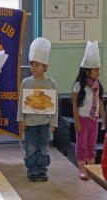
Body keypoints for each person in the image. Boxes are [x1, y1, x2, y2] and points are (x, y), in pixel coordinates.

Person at [17, 37, 58, 182]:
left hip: (45, 122)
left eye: (37, 64)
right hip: (30, 122)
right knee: (30, 147)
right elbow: (22, 102)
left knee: (43, 147)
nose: (33, 67)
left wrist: (53, 122)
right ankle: (32, 170)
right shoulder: (26, 82)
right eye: (31, 64)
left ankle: (42, 169)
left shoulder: (51, 83)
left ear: (45, 66)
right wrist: (21, 120)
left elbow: (54, 106)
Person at [73, 41, 106, 180]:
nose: (98, 72)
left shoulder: (97, 85)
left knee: (92, 144)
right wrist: (77, 122)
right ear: (87, 71)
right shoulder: (78, 86)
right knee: (82, 145)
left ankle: (91, 167)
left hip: (93, 120)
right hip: (82, 119)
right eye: (96, 69)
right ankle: (82, 169)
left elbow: (99, 102)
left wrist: (103, 118)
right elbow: (75, 105)